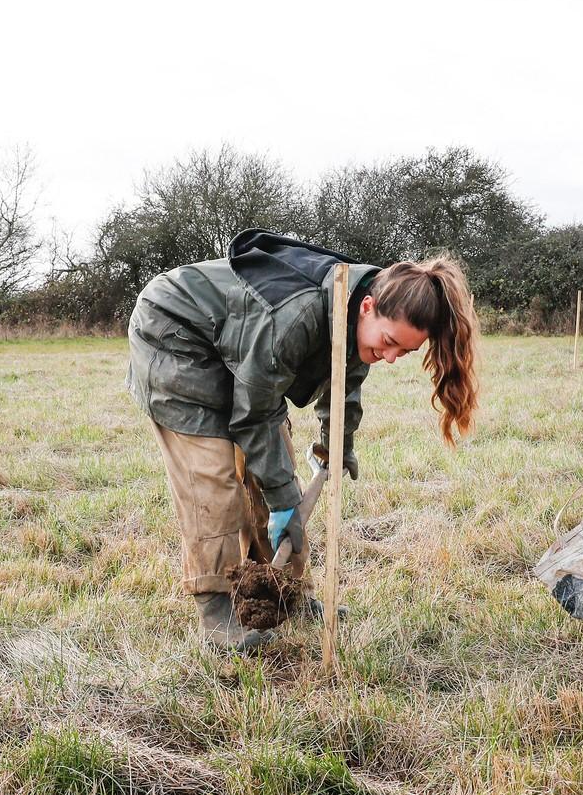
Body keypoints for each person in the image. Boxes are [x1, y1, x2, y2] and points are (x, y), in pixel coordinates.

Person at [126, 229, 479, 651]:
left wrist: (338, 447)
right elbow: (254, 413)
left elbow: (343, 383)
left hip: (234, 345)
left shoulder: (353, 305)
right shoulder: (295, 315)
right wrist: (283, 501)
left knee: (277, 466)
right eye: (388, 343)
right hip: (173, 333)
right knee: (214, 478)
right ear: (368, 308)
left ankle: (285, 594)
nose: (389, 357)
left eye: (402, 352)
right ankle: (218, 611)